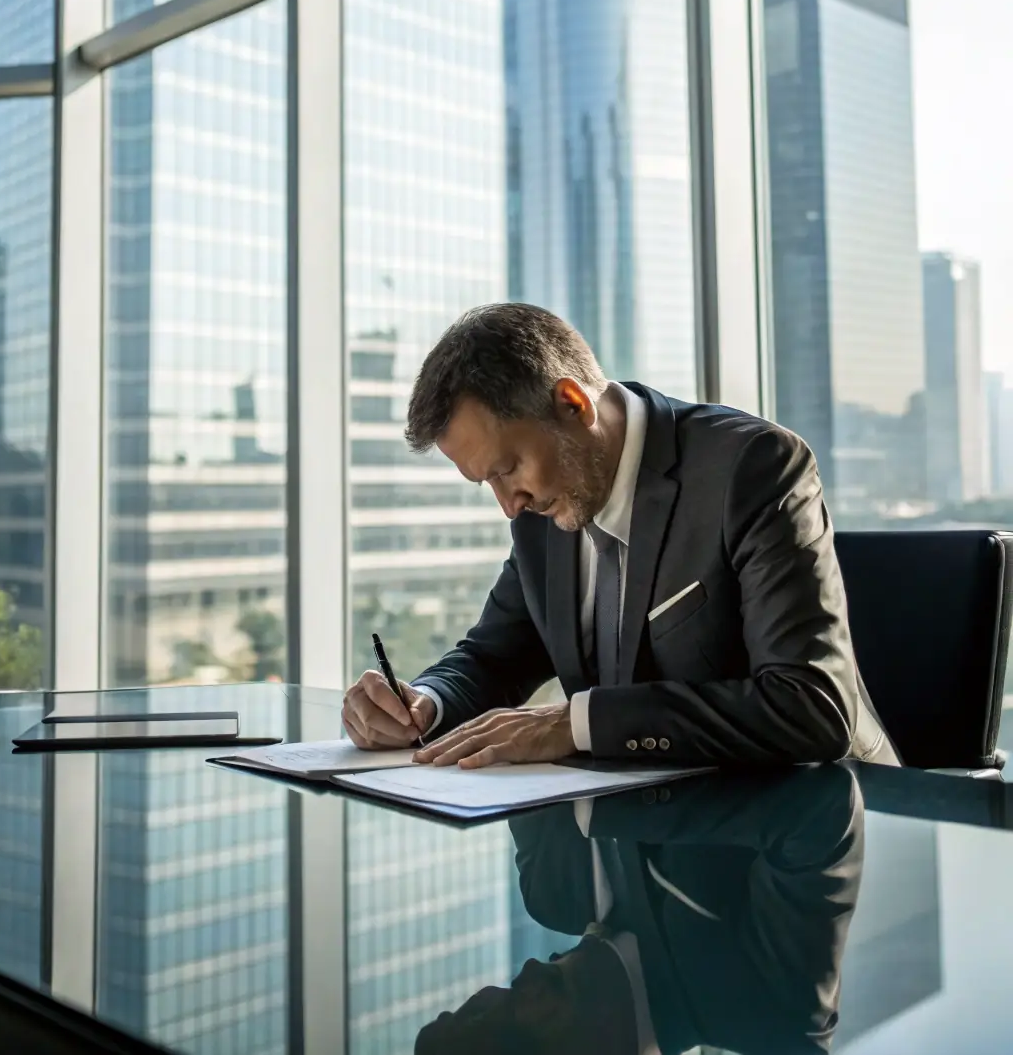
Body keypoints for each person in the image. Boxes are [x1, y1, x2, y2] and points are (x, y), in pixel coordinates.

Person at [342, 303, 898, 768]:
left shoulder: (750, 468)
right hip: (640, 832)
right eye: (486, 481)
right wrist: (422, 703)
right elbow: (496, 657)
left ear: (572, 404)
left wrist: (579, 723)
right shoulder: (542, 510)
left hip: (807, 822)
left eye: (507, 468)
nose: (508, 505)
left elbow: (811, 707)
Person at [416, 765, 866, 1054]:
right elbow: (824, 806)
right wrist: (614, 799)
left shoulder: (553, 894)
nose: (521, 975)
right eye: (492, 1014)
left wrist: (432, 707)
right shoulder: (766, 1009)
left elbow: (514, 746)